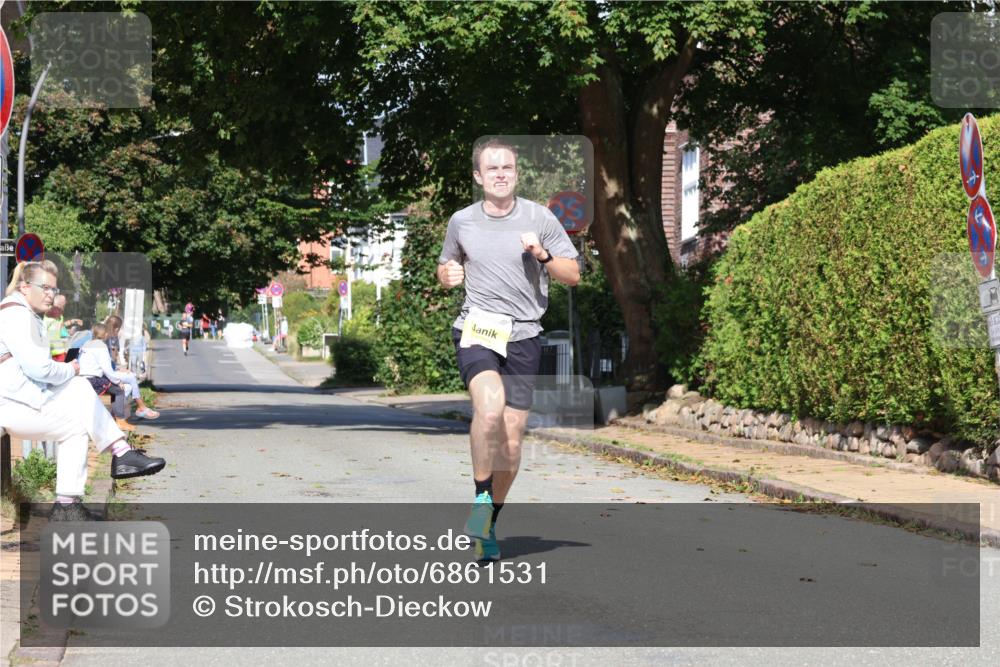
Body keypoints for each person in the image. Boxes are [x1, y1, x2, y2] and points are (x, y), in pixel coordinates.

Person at [437, 138, 580, 561]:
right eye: (492, 169)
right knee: (491, 408)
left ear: (517, 174)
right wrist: (448, 276)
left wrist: (542, 253)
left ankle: (487, 523)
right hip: (478, 328)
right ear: (479, 177)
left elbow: (571, 274)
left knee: (512, 441)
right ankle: (482, 499)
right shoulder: (461, 221)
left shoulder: (540, 217)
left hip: (524, 335)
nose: (501, 174)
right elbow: (446, 267)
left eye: (508, 168)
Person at [0, 261, 165, 521]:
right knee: (77, 384)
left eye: (54, 290)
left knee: (76, 426)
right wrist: (72, 369)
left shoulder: (23, 313)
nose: (50, 295)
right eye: (44, 287)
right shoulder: (16, 314)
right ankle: (121, 454)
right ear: (24, 286)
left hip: (21, 400)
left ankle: (67, 504)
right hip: (12, 405)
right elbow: (39, 369)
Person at [79, 323, 160, 421]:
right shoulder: (101, 346)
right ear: (105, 334)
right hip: (95, 378)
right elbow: (107, 370)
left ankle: (114, 414)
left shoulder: (88, 344)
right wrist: (117, 381)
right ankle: (138, 408)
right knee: (127, 381)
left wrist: (117, 369)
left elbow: (99, 365)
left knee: (128, 387)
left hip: (85, 377)